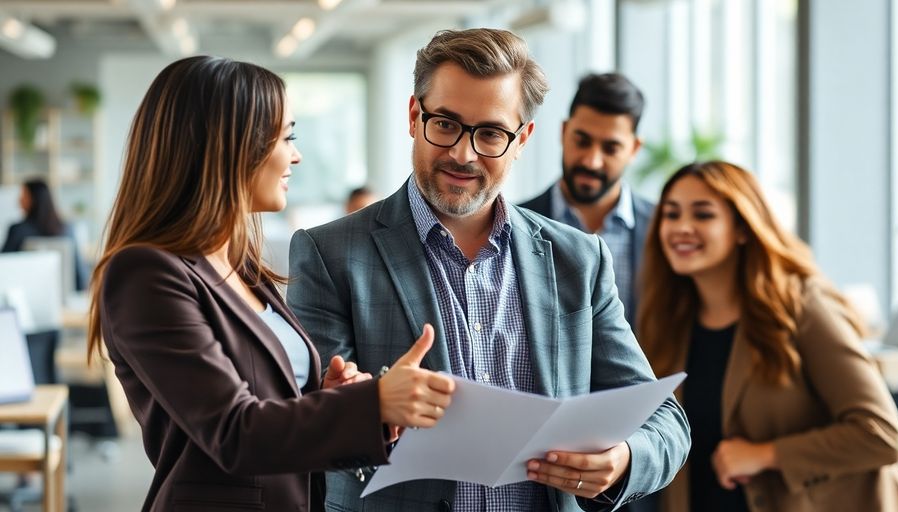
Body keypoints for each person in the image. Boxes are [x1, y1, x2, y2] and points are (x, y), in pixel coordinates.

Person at [287, 28, 689, 512]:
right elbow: (302, 431)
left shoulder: (577, 259)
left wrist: (623, 459)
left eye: (491, 134)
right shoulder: (330, 253)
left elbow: (664, 419)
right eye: (446, 124)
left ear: (522, 140)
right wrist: (362, 409)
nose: (463, 153)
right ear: (415, 116)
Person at [85, 56, 455, 512]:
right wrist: (373, 404)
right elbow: (234, 432)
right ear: (231, 148)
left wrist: (327, 397)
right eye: (287, 137)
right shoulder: (146, 275)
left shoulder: (241, 268)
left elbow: (268, 406)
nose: (295, 155)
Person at [637, 161, 898, 512]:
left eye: (703, 215)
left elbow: (882, 433)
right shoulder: (667, 321)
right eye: (671, 214)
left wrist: (765, 455)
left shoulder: (801, 307)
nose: (681, 228)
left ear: (742, 228)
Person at [520, 72, 651, 328]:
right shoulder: (513, 224)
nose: (592, 161)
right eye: (582, 141)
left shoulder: (661, 228)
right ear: (564, 132)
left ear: (634, 149)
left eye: (611, 148)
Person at [2, 178, 88, 290]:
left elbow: (3, 268)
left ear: (34, 199)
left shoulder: (17, 230)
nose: (19, 200)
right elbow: (79, 274)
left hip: (26, 295)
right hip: (64, 296)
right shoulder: (67, 230)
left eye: (23, 195)